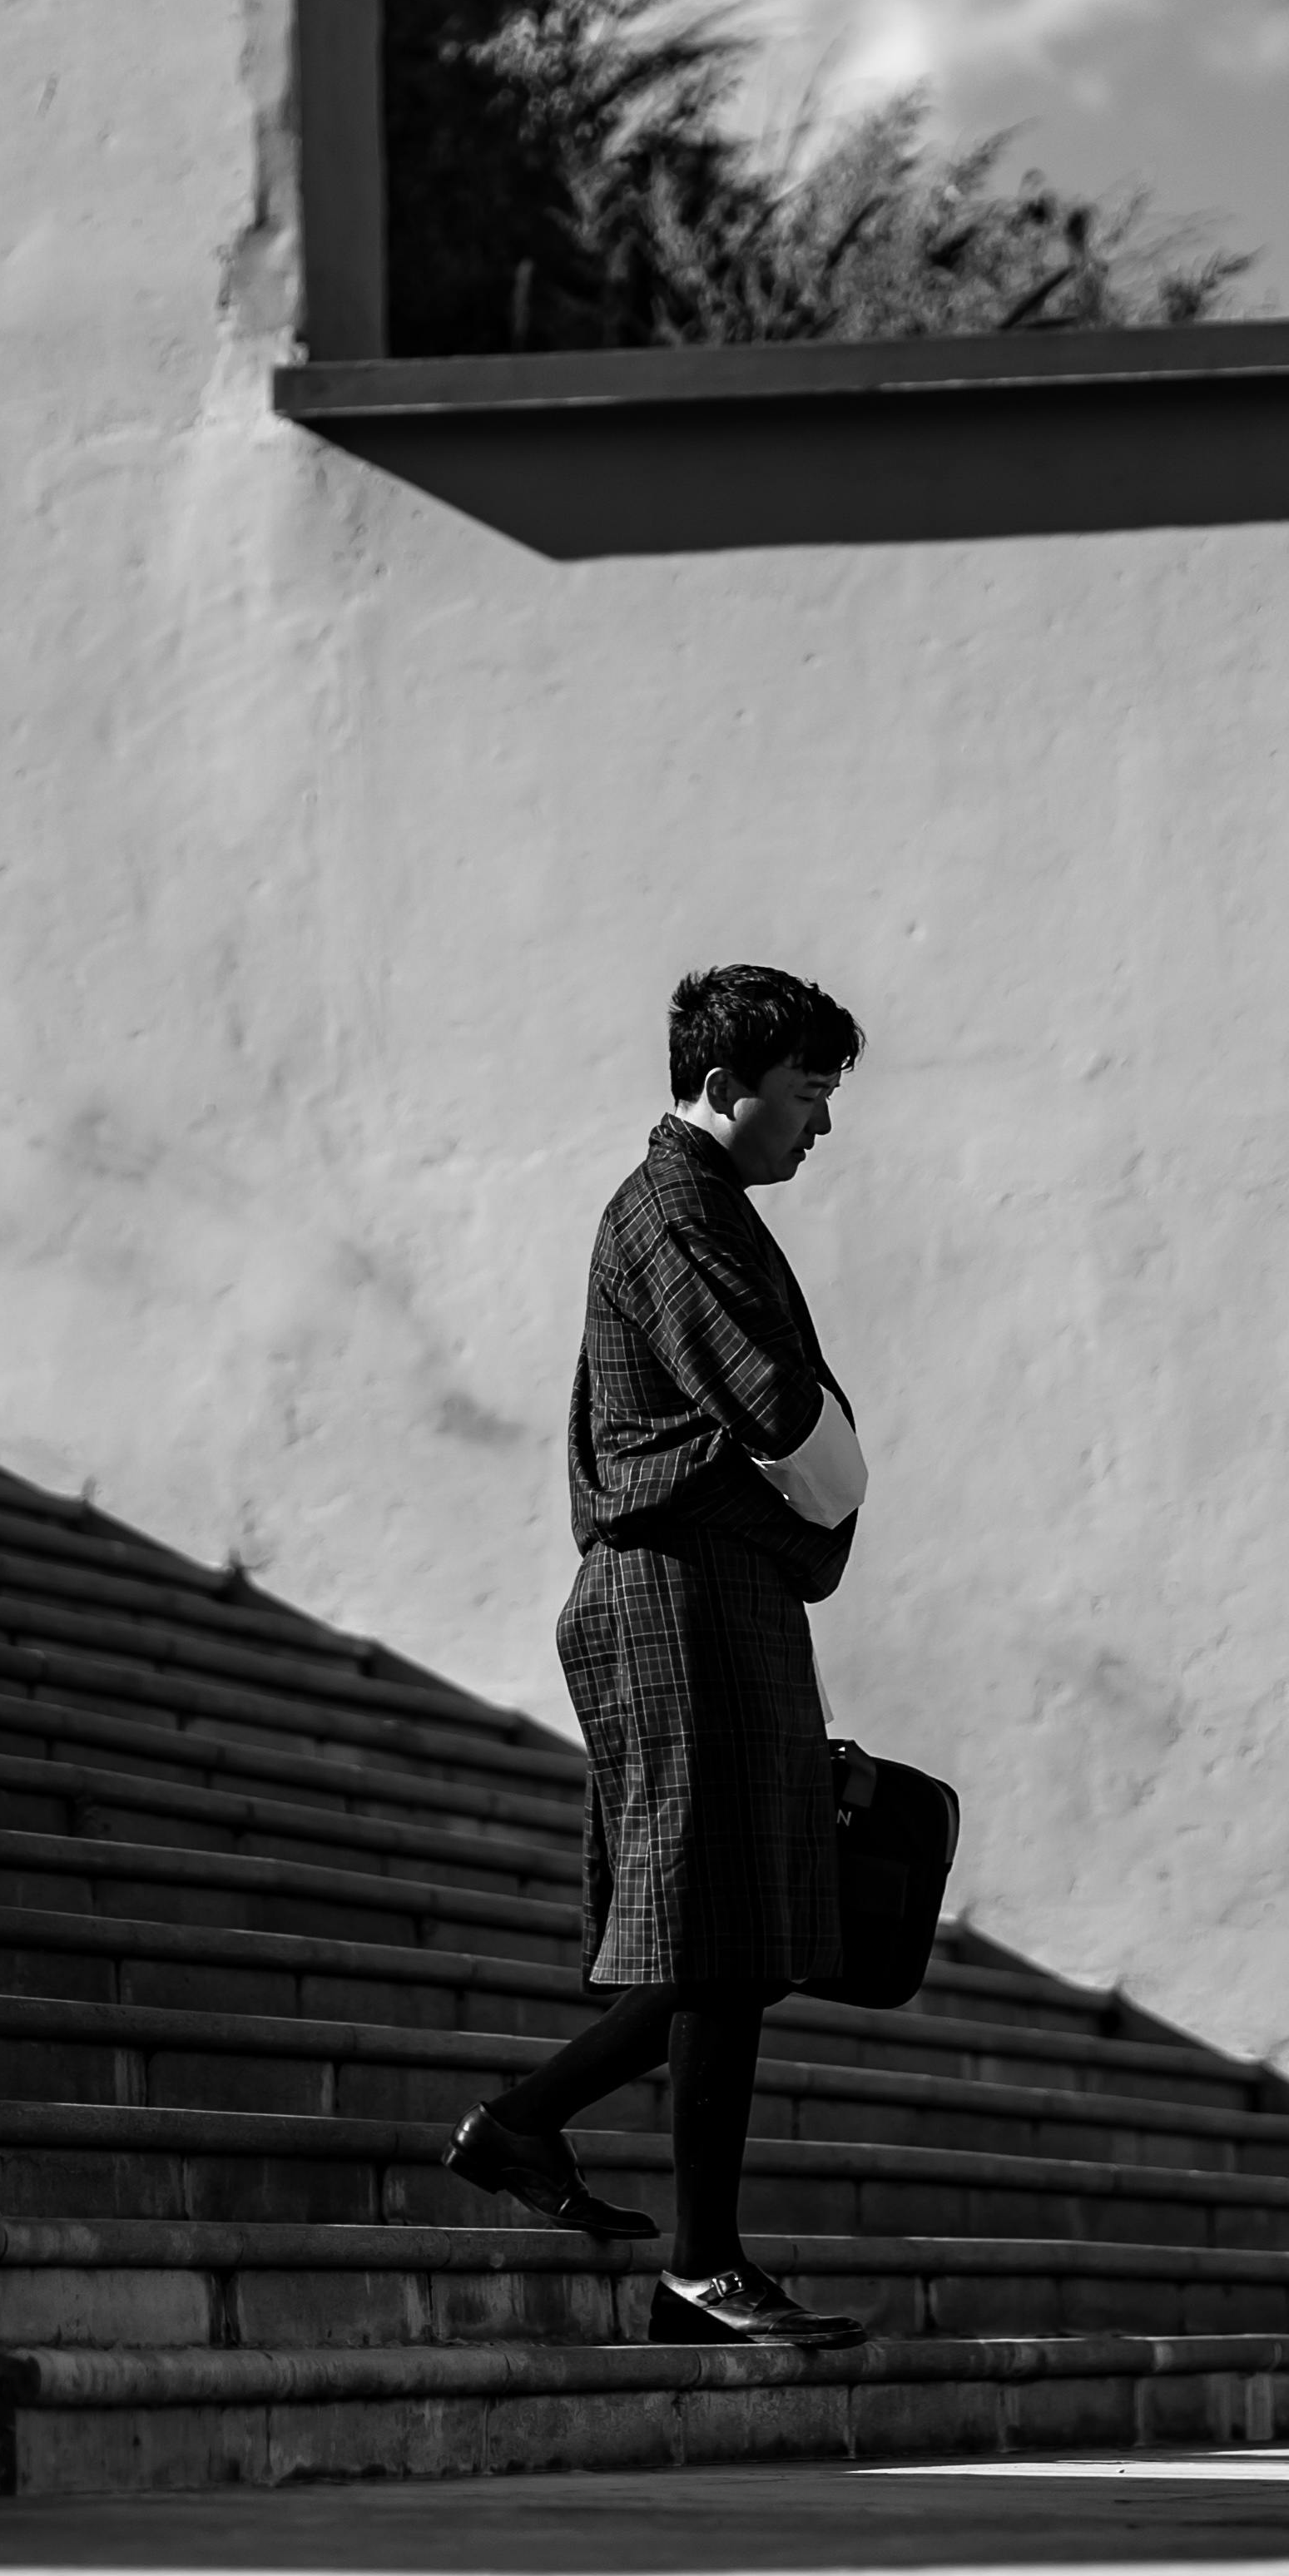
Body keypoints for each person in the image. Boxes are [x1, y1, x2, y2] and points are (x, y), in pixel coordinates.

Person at [445, 964, 877, 2351]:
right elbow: (782, 1411)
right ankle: (665, 2236)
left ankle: (595, 2183)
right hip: (673, 1593)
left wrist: (824, 1480)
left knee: (732, 1936)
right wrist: (834, 1478)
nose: (822, 1123)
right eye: (808, 1092)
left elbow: (796, 1437)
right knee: (717, 1931)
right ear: (726, 1084)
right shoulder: (675, 1210)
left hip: (710, 1588)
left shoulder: (700, 1206)